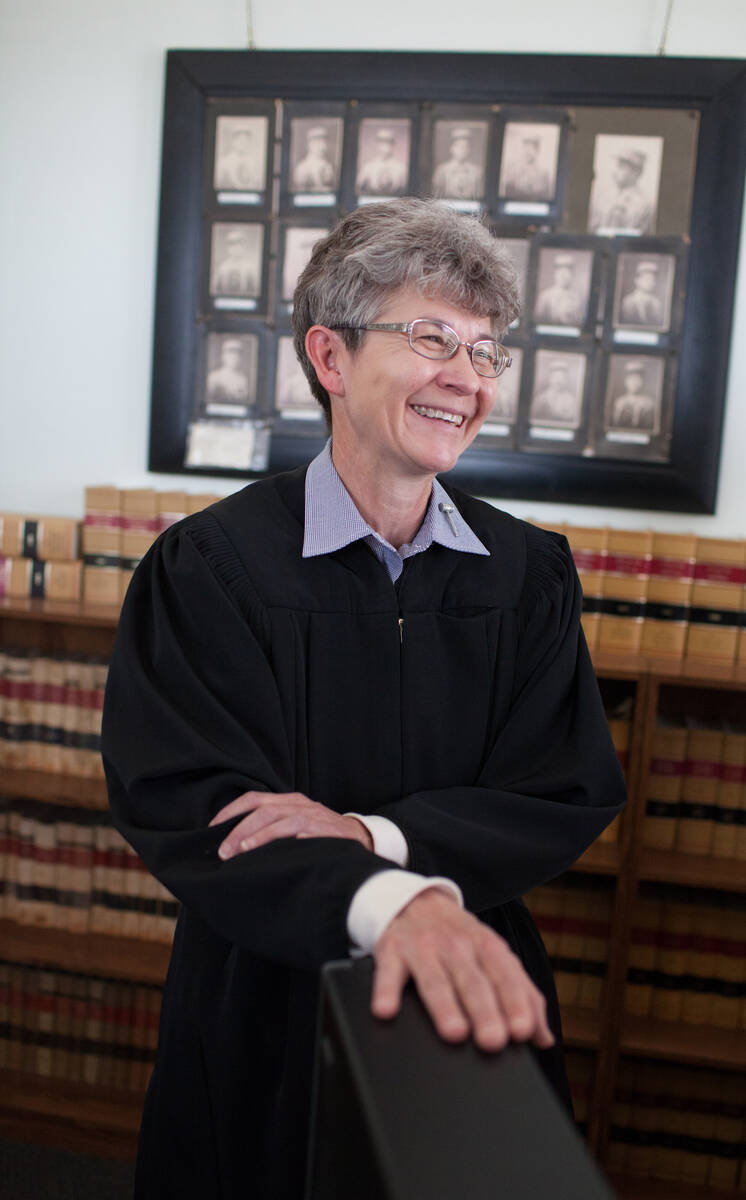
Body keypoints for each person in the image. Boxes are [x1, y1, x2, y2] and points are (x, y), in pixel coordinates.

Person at [102, 197, 626, 1200]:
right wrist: (389, 903)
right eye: (431, 338)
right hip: (260, 989)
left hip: (463, 987)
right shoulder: (208, 569)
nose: (464, 378)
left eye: (483, 352)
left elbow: (559, 791)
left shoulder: (526, 575)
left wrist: (369, 838)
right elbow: (190, 800)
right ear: (330, 360)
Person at [589, 147, 655, 235]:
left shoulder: (646, 205)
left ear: (636, 172)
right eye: (617, 166)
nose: (615, 171)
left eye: (621, 167)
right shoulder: (602, 197)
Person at [432, 126, 484, 199]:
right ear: (452, 148)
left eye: (465, 147)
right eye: (459, 146)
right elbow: (436, 195)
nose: (462, 150)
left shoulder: (476, 171)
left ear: (469, 149)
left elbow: (478, 196)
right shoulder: (442, 170)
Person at [534, 252, 586, 326]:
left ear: (572, 274)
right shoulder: (545, 296)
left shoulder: (577, 298)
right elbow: (538, 321)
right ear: (555, 273)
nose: (563, 276)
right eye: (560, 272)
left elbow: (580, 322)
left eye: (567, 272)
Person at [501, 132, 552, 201]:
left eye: (531, 149)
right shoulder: (513, 170)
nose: (527, 152)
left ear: (537, 151)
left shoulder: (543, 173)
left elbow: (544, 195)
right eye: (525, 148)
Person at [356, 126, 408, 194]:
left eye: (388, 141)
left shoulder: (402, 168)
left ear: (393, 144)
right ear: (377, 144)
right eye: (382, 141)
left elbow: (406, 190)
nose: (385, 145)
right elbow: (358, 188)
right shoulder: (368, 166)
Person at [214, 124, 264, 191]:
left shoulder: (253, 161)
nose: (243, 143)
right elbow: (219, 184)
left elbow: (258, 183)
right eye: (240, 140)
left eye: (246, 140)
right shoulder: (224, 161)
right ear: (234, 141)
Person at [531, 357, 580, 424]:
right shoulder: (540, 399)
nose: (558, 381)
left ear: (566, 380)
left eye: (562, 378)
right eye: (556, 377)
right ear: (550, 378)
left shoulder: (571, 401)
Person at [610, 360, 657, 428]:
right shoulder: (620, 401)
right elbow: (615, 423)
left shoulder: (649, 403)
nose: (634, 383)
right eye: (631, 379)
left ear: (642, 382)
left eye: (638, 380)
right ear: (626, 381)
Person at [212, 227, 258, 296]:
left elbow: (254, 291)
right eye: (231, 243)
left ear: (244, 245)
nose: (235, 246)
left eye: (239, 242)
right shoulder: (222, 268)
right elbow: (215, 289)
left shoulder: (250, 268)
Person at [206, 338, 251, 405]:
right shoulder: (214, 377)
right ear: (223, 356)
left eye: (237, 355)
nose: (234, 358)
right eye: (231, 354)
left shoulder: (242, 379)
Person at [620, 260, 664, 327]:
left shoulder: (657, 304)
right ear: (637, 280)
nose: (651, 283)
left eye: (653, 280)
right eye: (647, 279)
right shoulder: (628, 301)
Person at [292, 124, 336, 191]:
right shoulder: (302, 167)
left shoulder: (328, 166)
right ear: (309, 145)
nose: (322, 147)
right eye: (317, 143)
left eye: (323, 143)